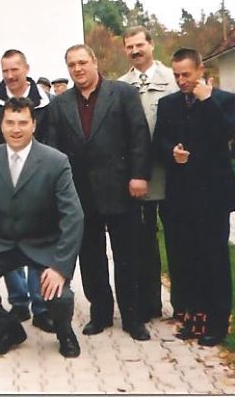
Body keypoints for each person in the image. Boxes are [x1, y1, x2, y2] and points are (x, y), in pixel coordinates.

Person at [0, 97, 84, 358]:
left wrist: (60, 267)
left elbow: (73, 217)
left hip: (42, 244)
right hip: (2, 242)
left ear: (34, 125)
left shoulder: (56, 161)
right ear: (1, 125)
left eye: (23, 122)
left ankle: (65, 332)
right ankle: (7, 330)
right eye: (10, 122)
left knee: (61, 295)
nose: (16, 129)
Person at [48, 44, 152, 341]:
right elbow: (53, 149)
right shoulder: (60, 104)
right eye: (72, 65)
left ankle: (132, 317)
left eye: (82, 62)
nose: (78, 69)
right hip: (80, 194)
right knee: (90, 257)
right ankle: (101, 313)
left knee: (128, 255)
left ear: (94, 62)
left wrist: (139, 175)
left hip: (121, 189)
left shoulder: (123, 93)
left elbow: (139, 136)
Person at [153, 47, 235, 347]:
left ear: (201, 71)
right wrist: (171, 152)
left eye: (186, 75)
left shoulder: (223, 100)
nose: (181, 81)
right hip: (181, 196)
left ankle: (218, 322)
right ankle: (195, 316)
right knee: (186, 259)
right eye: (176, 75)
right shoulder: (168, 104)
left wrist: (206, 100)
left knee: (214, 260)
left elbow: (227, 134)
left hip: (213, 196)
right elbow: (158, 141)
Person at [0, 49, 54, 333]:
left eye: (14, 69)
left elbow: (52, 138)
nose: (10, 75)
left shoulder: (45, 102)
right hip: (3, 183)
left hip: (37, 182)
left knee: (37, 243)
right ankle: (19, 301)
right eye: (5, 70)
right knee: (7, 241)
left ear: (26, 68)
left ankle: (41, 306)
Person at [118, 26, 179, 323]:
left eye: (139, 45)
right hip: (138, 177)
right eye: (129, 47)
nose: (135, 51)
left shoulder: (172, 80)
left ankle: (183, 304)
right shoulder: (120, 86)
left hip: (172, 174)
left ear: (151, 45)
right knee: (143, 243)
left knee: (178, 241)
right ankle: (149, 303)